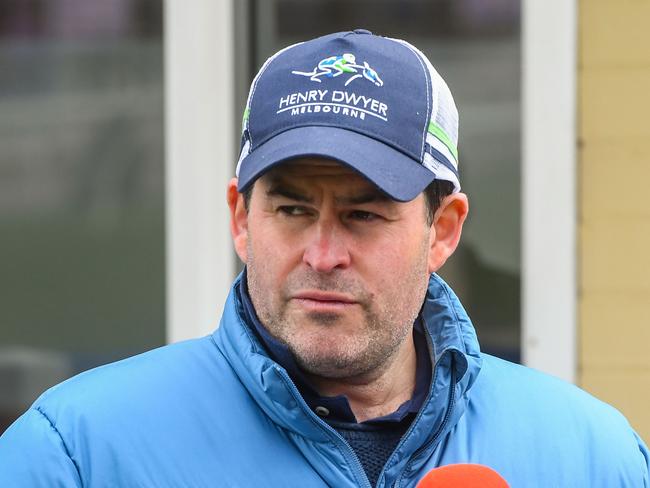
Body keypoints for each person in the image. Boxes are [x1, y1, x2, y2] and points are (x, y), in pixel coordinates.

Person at [0, 30, 647, 487]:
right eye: (291, 209)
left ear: (442, 230)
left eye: (363, 214)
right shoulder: (76, 456)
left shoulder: (591, 459)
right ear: (240, 219)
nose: (323, 254)